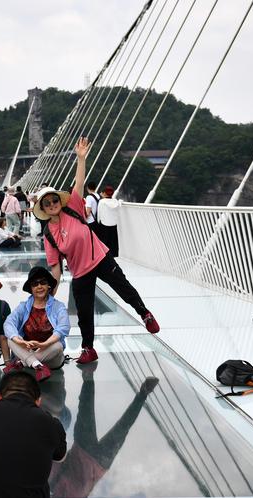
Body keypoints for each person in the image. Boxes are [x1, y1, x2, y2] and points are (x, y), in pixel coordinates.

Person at [33, 137, 159, 365]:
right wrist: (50, 294)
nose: (52, 204)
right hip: (80, 271)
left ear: (59, 201)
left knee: (123, 287)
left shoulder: (72, 206)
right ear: (42, 208)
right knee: (83, 311)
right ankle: (88, 348)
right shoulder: (48, 233)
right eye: (47, 203)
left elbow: (79, 184)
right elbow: (55, 267)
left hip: (99, 257)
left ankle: (145, 314)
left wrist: (81, 159)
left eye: (53, 200)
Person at [50, 364, 158, 498]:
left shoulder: (61, 493)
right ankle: (88, 375)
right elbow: (57, 457)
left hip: (99, 464)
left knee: (122, 427)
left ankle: (143, 393)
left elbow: (57, 459)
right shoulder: (52, 486)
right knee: (87, 408)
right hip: (85, 451)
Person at [3, 266, 70, 382]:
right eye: (35, 284)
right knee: (11, 339)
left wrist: (44, 345)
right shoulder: (23, 306)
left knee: (58, 346)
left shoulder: (58, 306)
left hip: (51, 356)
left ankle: (25, 362)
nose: (39, 286)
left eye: (43, 282)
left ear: (48, 286)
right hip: (29, 350)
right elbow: (8, 323)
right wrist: (21, 342)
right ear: (31, 288)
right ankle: (37, 366)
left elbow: (63, 328)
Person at [95, 185, 122, 257]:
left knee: (104, 242)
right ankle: (113, 255)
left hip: (104, 224)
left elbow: (99, 214)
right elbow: (120, 204)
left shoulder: (102, 202)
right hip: (114, 224)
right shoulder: (116, 201)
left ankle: (104, 256)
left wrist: (98, 222)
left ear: (104, 193)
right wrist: (120, 201)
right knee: (113, 242)